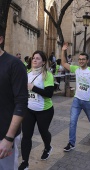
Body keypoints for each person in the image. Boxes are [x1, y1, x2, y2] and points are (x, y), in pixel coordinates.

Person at [61, 43, 90, 152]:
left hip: (88, 102)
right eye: (79, 59)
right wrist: (63, 50)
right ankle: (71, 143)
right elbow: (63, 63)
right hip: (76, 100)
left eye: (83, 59)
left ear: (87, 60)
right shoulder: (76, 69)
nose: (81, 61)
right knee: (72, 121)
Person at [19, 51, 54, 170]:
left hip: (45, 110)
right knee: (26, 136)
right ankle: (25, 162)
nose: (34, 60)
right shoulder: (27, 73)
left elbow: (49, 94)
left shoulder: (47, 75)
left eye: (38, 58)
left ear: (43, 62)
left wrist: (33, 88)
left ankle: (48, 147)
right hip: (29, 110)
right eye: (33, 58)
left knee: (44, 132)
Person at [0, 25, 28, 170]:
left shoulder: (14, 65)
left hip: (4, 137)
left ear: (0, 39)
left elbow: (21, 103)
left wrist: (8, 138)